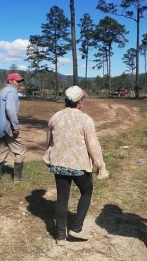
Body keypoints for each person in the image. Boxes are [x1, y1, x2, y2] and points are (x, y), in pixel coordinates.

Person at [44, 85, 109, 246]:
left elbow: (49, 141)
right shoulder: (85, 119)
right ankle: (76, 228)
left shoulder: (55, 117)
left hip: (59, 164)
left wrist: (49, 157)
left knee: (62, 198)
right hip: (79, 165)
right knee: (86, 192)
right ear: (80, 101)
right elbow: (93, 145)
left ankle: (60, 236)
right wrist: (101, 166)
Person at [0, 72, 30, 184]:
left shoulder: (2, 92)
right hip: (9, 126)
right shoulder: (12, 91)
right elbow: (10, 109)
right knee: (20, 149)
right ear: (10, 81)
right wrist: (15, 126)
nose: (19, 84)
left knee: (1, 151)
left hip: (0, 127)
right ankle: (18, 176)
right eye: (17, 81)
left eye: (20, 82)